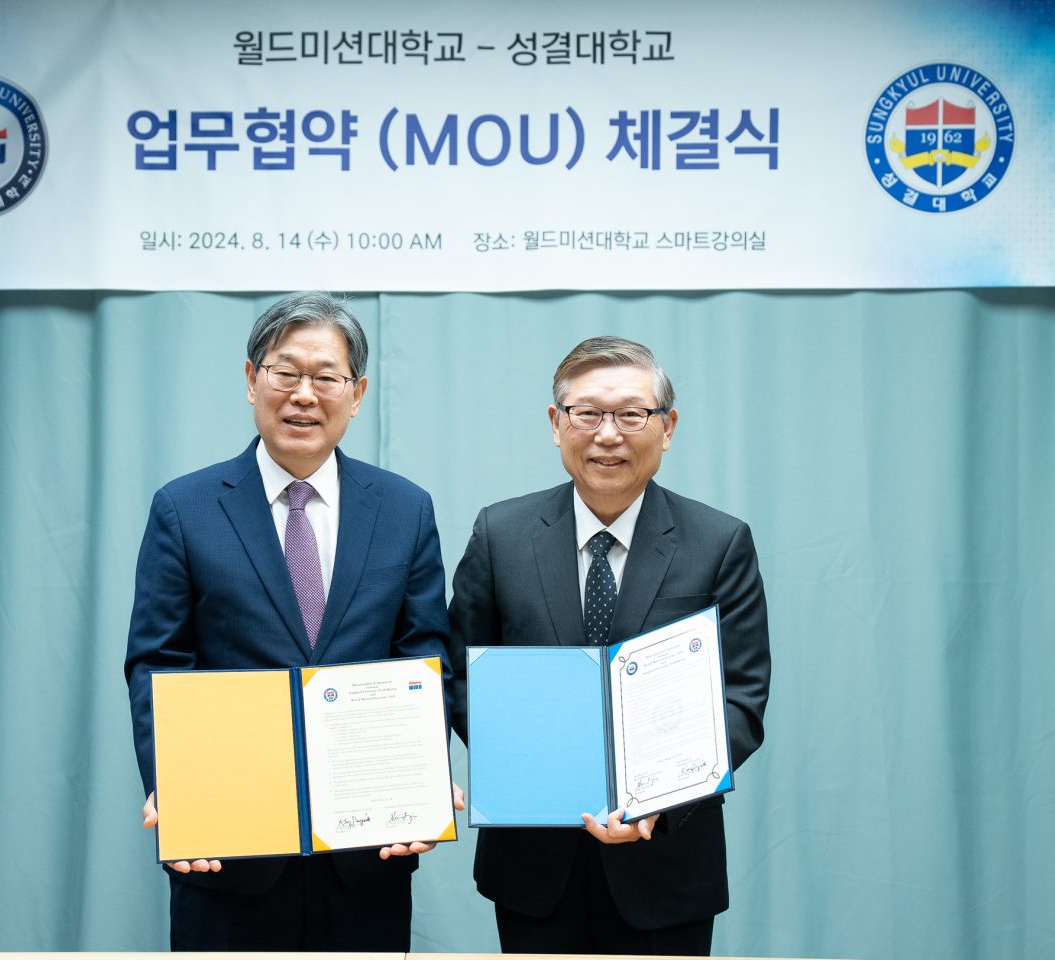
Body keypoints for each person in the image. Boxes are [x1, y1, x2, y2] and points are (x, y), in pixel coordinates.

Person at [125, 292, 455, 952]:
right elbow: (159, 662)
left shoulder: (404, 509)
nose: (305, 395)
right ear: (252, 380)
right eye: (286, 372)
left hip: (367, 856)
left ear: (357, 394)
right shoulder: (185, 509)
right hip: (228, 852)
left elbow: (424, 657)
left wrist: (422, 776)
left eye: (326, 376)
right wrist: (178, 788)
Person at [448, 335, 771, 956]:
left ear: (667, 427)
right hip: (534, 864)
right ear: (556, 423)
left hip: (666, 863)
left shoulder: (719, 542)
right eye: (588, 413)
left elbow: (741, 698)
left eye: (630, 414)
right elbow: (460, 676)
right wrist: (521, 761)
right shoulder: (500, 534)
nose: (607, 434)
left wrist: (658, 800)